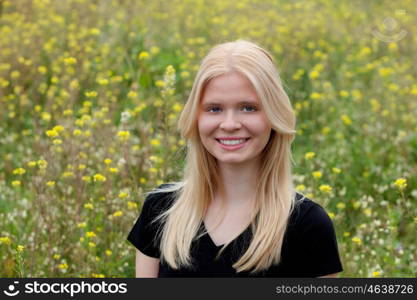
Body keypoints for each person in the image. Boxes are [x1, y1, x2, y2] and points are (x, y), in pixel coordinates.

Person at [127, 39, 343, 277]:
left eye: (248, 108)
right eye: (214, 109)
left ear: (274, 117)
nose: (229, 124)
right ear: (196, 118)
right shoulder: (161, 210)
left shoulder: (308, 226)